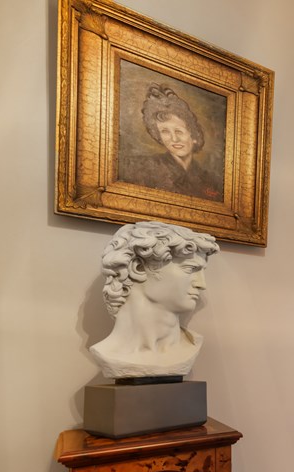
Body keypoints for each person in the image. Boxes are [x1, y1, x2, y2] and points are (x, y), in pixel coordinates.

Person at [90, 222, 219, 379]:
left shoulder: (191, 346)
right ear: (138, 268)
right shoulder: (107, 353)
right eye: (190, 269)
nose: (201, 284)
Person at [118, 84, 223, 201]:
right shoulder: (144, 169)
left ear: (194, 135)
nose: (174, 139)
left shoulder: (210, 180)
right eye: (165, 131)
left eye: (178, 131)